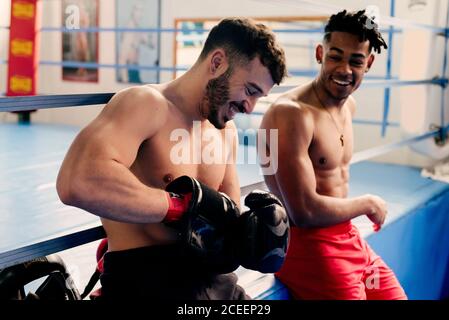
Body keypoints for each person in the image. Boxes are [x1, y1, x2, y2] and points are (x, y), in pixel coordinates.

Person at [56, 18, 289, 300]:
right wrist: (180, 208)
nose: (249, 107)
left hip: (218, 286)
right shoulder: (146, 104)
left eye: (259, 97)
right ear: (217, 63)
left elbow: (227, 219)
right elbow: (76, 181)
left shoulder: (225, 131)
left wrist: (258, 235)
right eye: (250, 90)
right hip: (147, 284)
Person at [260, 10, 407, 300]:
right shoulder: (290, 114)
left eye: (356, 61)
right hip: (307, 248)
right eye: (335, 56)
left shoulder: (348, 107)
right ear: (320, 53)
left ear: (369, 64)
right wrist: (367, 202)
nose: (344, 70)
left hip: (349, 240)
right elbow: (303, 212)